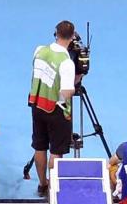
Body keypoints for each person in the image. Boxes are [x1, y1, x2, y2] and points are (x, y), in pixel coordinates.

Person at [28, 20, 78, 198]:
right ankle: (53, 189)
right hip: (56, 110)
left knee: (40, 147)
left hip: (37, 104)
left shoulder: (39, 50)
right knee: (56, 151)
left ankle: (42, 184)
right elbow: (66, 91)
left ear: (55, 33)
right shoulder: (66, 63)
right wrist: (73, 86)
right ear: (72, 37)